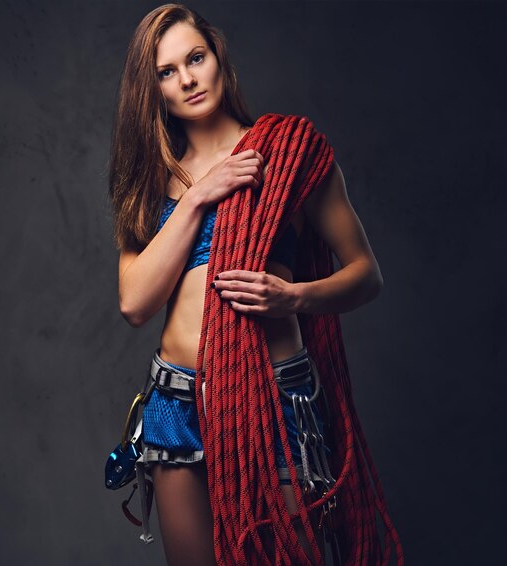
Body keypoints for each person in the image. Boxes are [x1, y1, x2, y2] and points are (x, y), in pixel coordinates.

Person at [108, 4, 403, 565]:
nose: (188, 79)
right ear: (152, 91)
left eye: (196, 58)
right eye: (167, 72)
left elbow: (367, 275)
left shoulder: (288, 152)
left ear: (219, 56)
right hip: (177, 398)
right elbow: (135, 304)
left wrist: (294, 297)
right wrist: (198, 195)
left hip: (274, 390)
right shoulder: (149, 180)